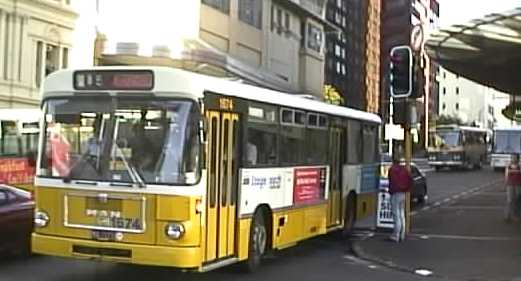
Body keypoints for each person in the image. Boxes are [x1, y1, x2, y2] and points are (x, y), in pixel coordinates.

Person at [388, 156, 412, 242]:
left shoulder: (392, 170)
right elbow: (410, 179)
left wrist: (391, 190)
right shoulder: (404, 170)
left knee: (396, 214)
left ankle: (396, 235)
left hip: (395, 193)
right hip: (403, 193)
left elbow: (392, 181)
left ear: (393, 161)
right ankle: (402, 234)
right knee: (402, 213)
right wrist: (406, 189)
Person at [504, 154, 521, 222]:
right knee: (510, 200)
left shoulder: (519, 165)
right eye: (512, 158)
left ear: (518, 159)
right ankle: (507, 215)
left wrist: (514, 171)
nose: (513, 159)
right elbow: (506, 175)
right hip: (510, 185)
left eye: (514, 158)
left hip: (518, 185)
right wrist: (505, 183)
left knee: (517, 200)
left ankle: (516, 215)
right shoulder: (508, 166)